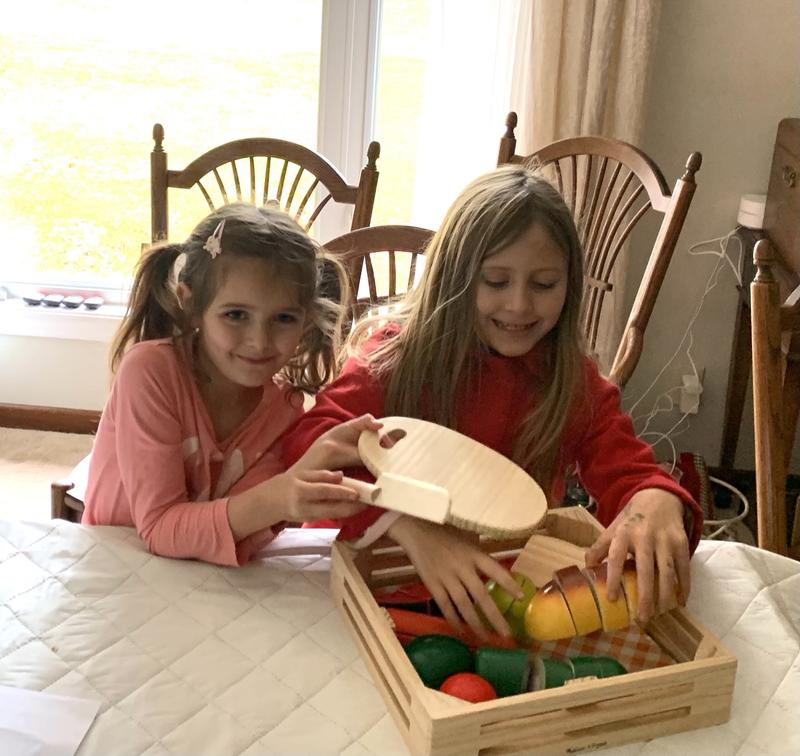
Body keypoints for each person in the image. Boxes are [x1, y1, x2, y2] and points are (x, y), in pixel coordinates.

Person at [282, 165, 703, 640]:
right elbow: (309, 444)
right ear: (454, 279)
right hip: (355, 582)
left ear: (570, 287)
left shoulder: (570, 381)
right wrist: (403, 521)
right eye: (496, 282)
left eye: (544, 284)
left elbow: (630, 470)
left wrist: (655, 497)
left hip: (489, 597)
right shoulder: (394, 358)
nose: (519, 305)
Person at [82, 203, 380, 566]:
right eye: (236, 315)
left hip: (197, 580)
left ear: (306, 321)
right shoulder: (149, 372)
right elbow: (160, 528)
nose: (259, 341)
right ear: (191, 305)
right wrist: (280, 496)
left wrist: (306, 472)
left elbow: (243, 533)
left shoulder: (284, 411)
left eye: (284, 318)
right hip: (112, 568)